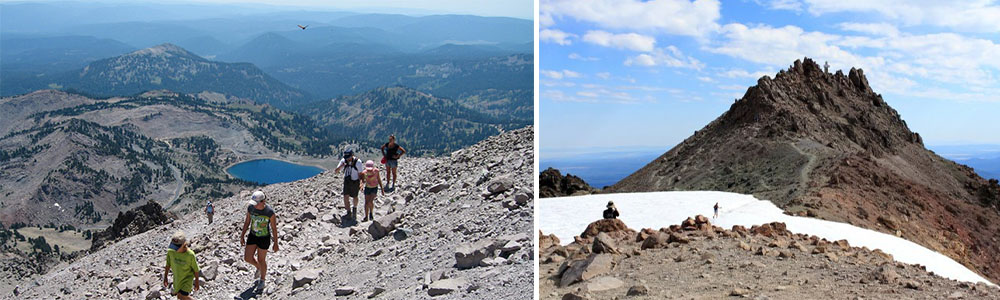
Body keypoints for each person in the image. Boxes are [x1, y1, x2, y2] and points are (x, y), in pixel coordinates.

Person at [240, 190, 279, 294]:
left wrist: (276, 243)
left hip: (264, 238)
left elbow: (274, 228)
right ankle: (258, 267)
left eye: (256, 203)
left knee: (261, 259)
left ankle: (262, 280)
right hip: (253, 235)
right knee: (247, 258)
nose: (254, 206)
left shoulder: (269, 212)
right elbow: (247, 221)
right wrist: (242, 235)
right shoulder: (251, 208)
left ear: (263, 201)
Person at [163, 231, 200, 300]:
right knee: (179, 297)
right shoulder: (171, 252)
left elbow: (196, 269)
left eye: (176, 247)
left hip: (187, 279)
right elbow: (168, 264)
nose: (174, 249)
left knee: (182, 295)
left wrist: (197, 281)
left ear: (184, 245)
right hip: (177, 279)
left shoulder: (190, 255)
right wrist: (165, 277)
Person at [334, 149, 364, 220]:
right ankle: (348, 212)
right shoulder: (343, 161)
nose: (347, 159)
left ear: (352, 155)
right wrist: (341, 166)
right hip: (347, 181)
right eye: (346, 157)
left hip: (355, 181)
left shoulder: (358, 162)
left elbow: (361, 174)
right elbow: (336, 171)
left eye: (349, 157)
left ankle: (354, 209)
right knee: (345, 196)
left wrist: (361, 183)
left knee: (355, 196)